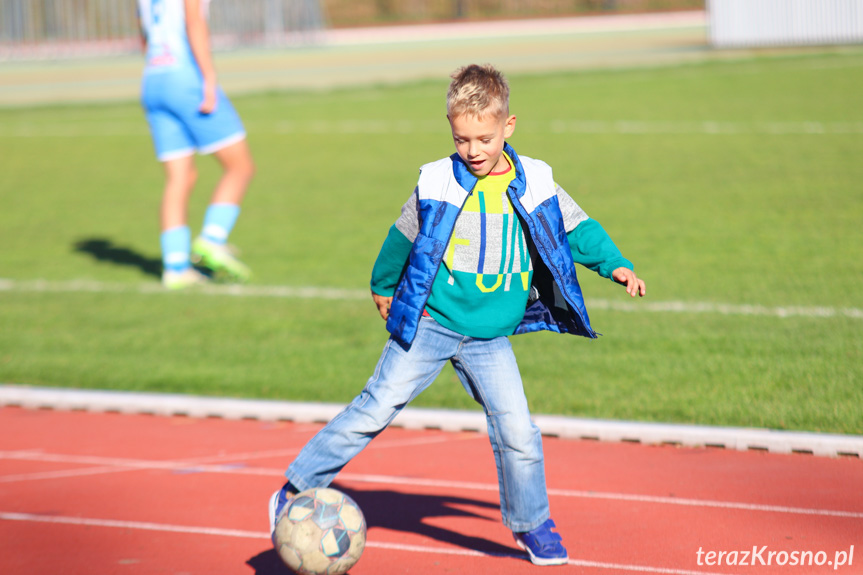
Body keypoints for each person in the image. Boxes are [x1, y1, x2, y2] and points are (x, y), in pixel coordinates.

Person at [269, 64, 646, 566]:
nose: (473, 150)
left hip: (489, 337)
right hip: (432, 322)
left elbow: (576, 229)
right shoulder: (436, 181)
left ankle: (532, 524)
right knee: (376, 407)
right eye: (462, 138)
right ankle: (297, 485)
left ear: (508, 127)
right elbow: (401, 237)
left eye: (484, 138)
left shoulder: (535, 181)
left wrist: (615, 264)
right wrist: (383, 285)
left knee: (518, 430)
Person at [137, 0, 255, 289]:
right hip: (185, 78)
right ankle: (213, 240)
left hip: (153, 79)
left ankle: (175, 268)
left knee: (180, 176)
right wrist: (209, 78)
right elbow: (194, 21)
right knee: (240, 167)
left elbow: (145, 34)